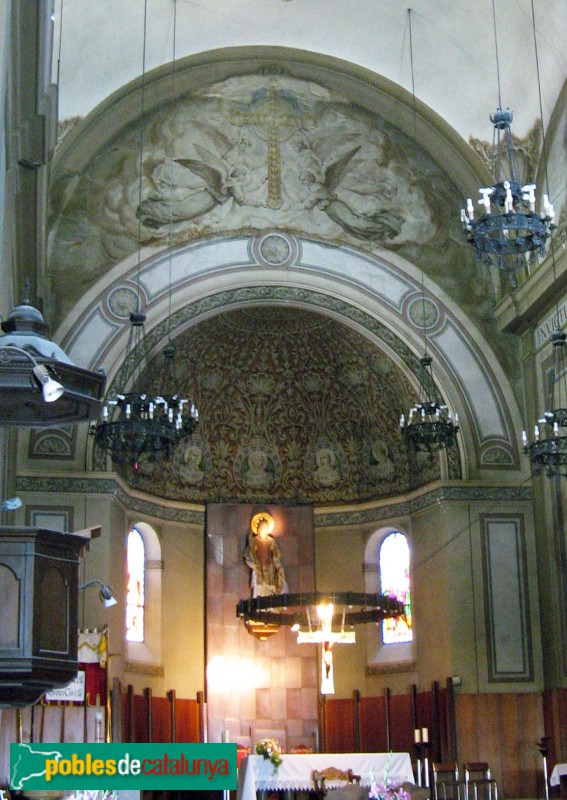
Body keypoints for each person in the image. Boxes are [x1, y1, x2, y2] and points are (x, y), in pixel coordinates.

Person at [244, 511, 288, 597]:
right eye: (262, 528)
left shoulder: (271, 542)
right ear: (258, 529)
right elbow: (248, 557)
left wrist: (279, 568)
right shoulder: (253, 541)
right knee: (259, 592)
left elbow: (276, 558)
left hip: (270, 572)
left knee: (270, 593)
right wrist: (255, 566)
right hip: (259, 572)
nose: (263, 530)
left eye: (265, 528)